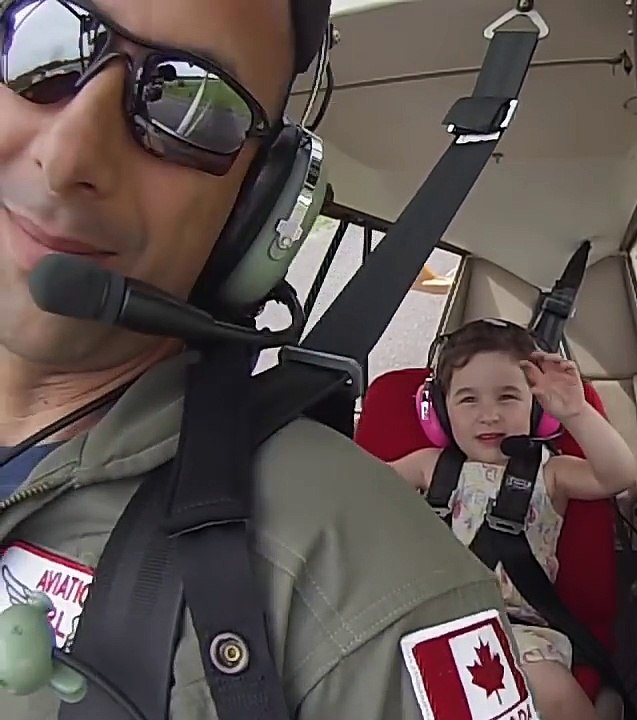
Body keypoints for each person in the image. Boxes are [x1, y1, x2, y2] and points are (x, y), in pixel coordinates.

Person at [0, 0, 543, 718]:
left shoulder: (369, 595)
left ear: (261, 208)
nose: (69, 156)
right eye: (38, 40)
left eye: (195, 105)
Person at [388, 319, 637, 720]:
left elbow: (619, 475)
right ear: (438, 411)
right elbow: (358, 491)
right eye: (468, 400)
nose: (489, 415)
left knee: (551, 689)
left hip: (518, 629)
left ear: (538, 409)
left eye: (507, 397)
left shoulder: (552, 473)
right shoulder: (427, 467)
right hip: (433, 622)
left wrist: (576, 413)